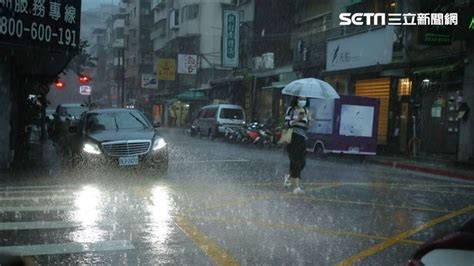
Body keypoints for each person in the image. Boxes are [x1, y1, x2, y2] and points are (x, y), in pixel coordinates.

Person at [284, 96, 309, 194]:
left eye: (304, 99)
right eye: (301, 99)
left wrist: (309, 121)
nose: (303, 101)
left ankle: (289, 176)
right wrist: (297, 119)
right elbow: (286, 124)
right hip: (293, 138)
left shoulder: (306, 111)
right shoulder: (291, 110)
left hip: (302, 139)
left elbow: (306, 127)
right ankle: (296, 187)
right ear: (296, 99)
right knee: (295, 162)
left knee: (302, 163)